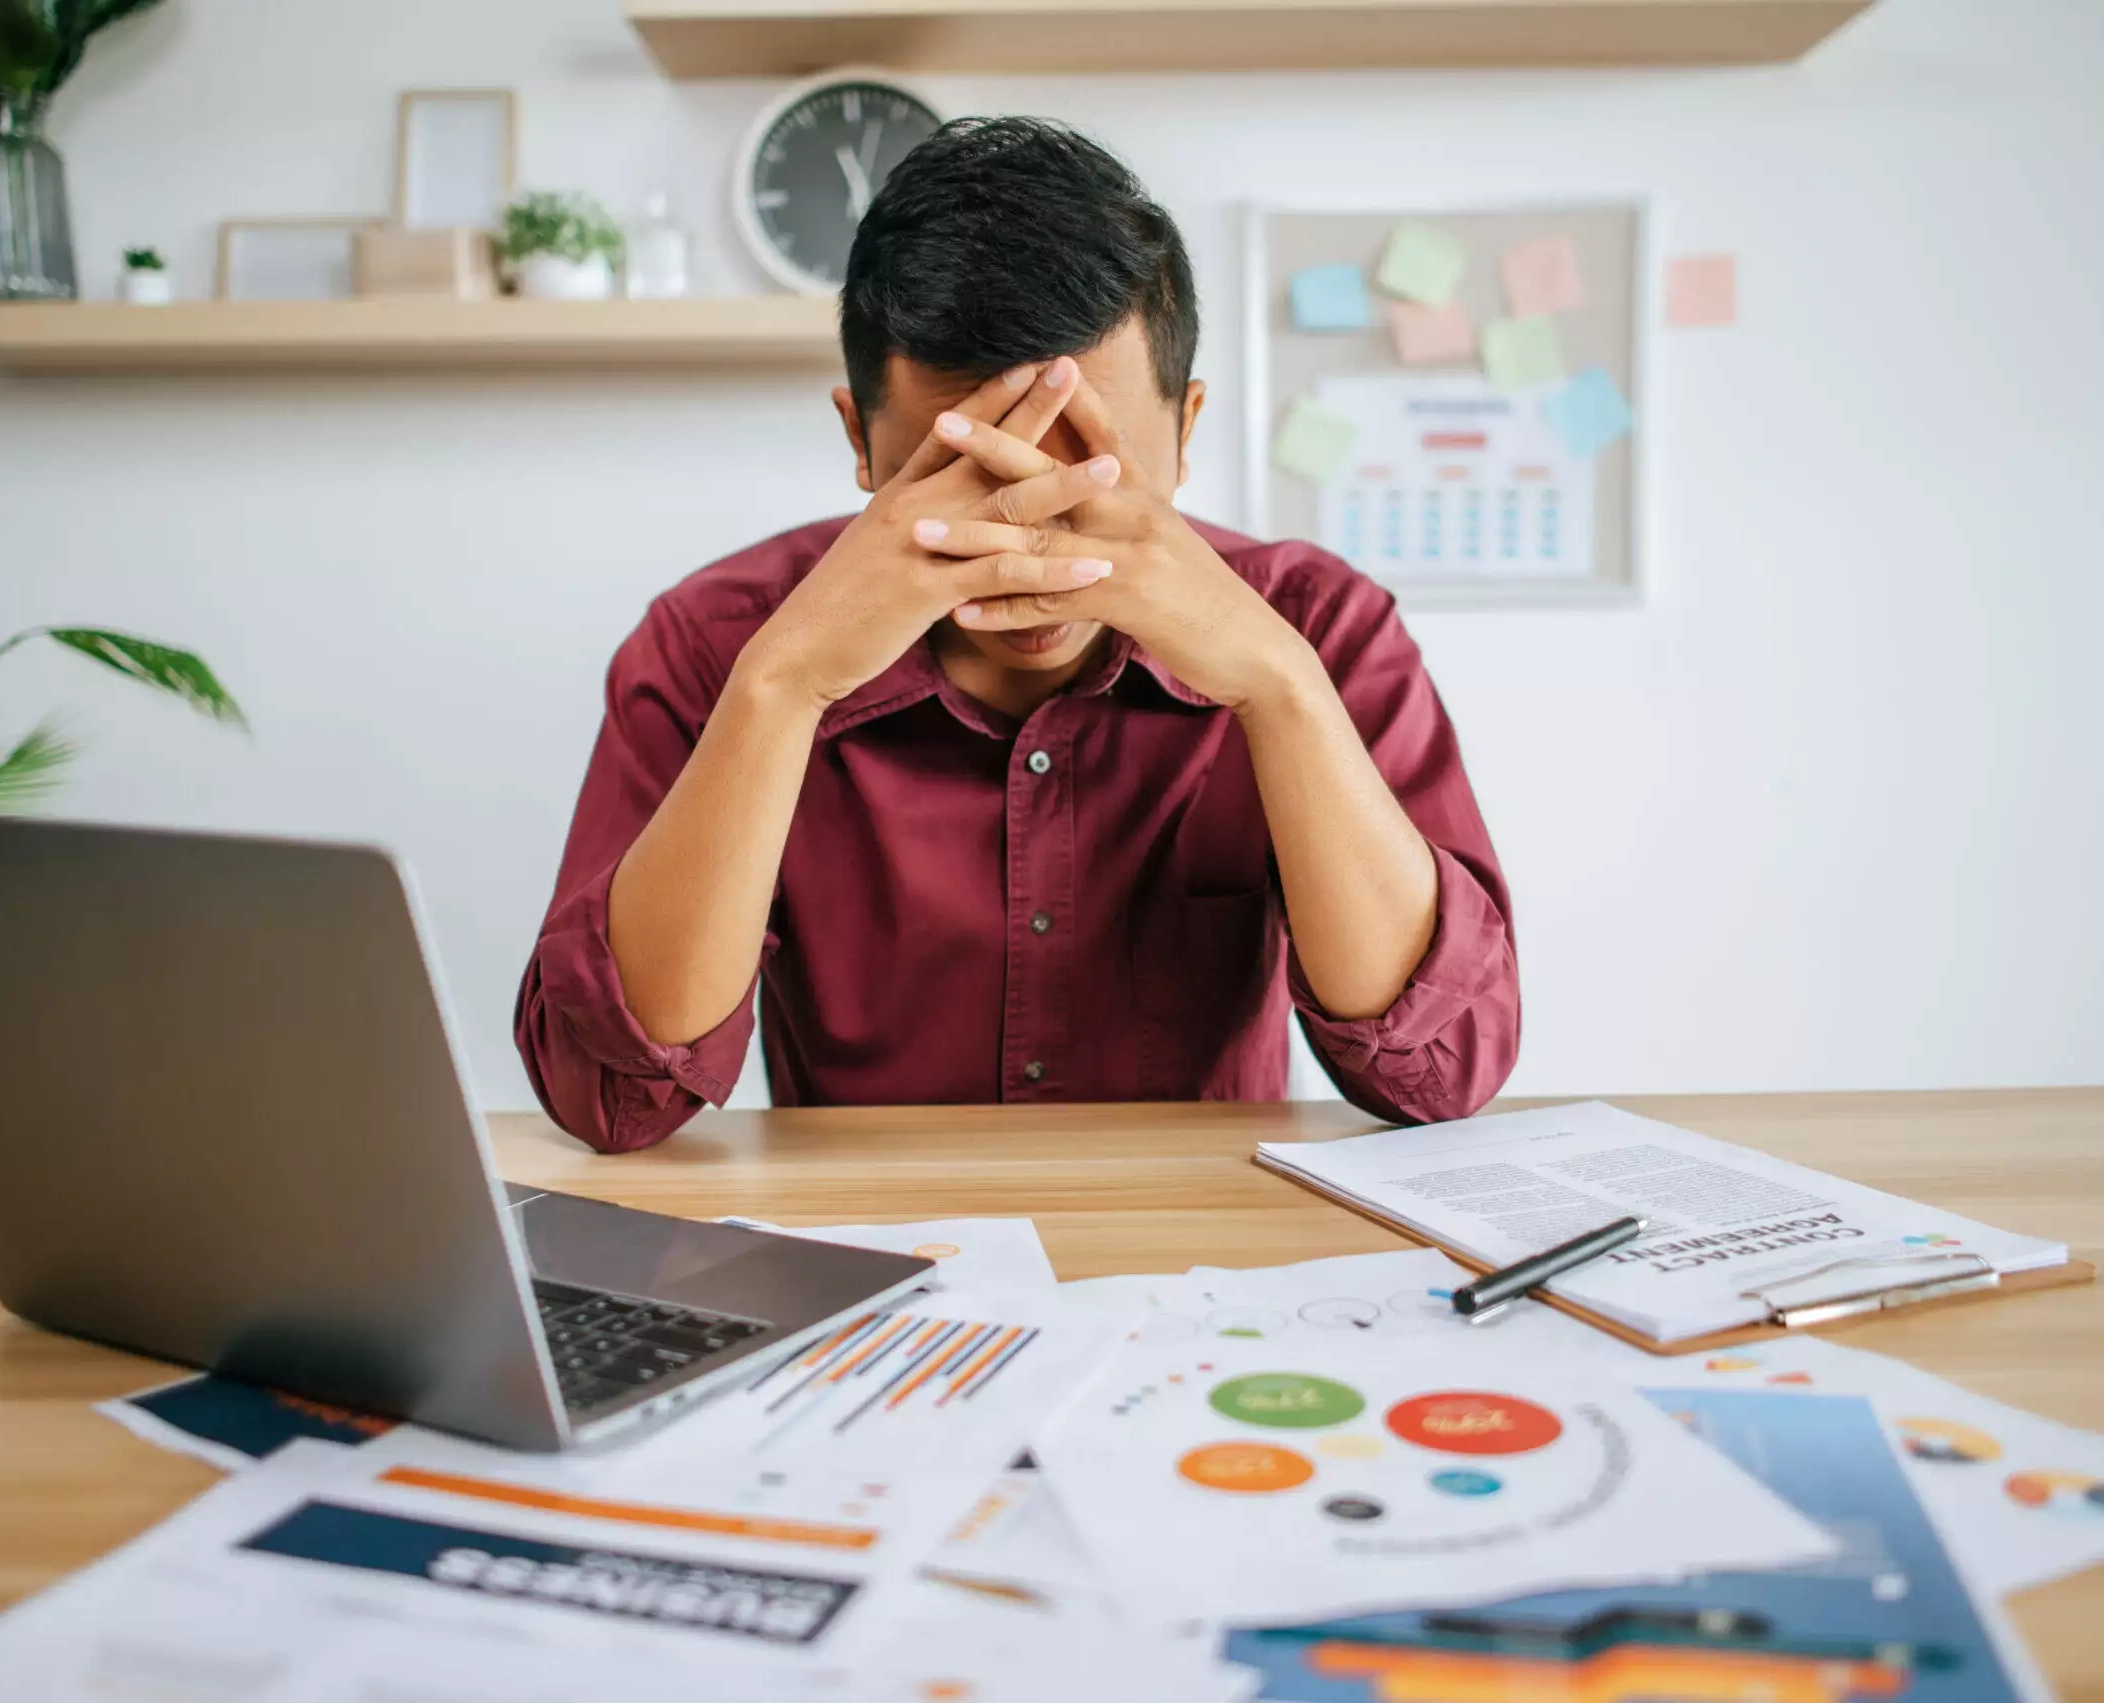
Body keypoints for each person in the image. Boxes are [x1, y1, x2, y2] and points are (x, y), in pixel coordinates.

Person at [518, 117, 1518, 1154]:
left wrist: (1278, 688)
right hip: (868, 1256)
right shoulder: (713, 646)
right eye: (966, 481)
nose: (1028, 551)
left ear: (1184, 432)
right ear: (861, 442)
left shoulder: (1317, 628)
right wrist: (781, 688)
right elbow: (612, 1096)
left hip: (1200, 1264)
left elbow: (1442, 1070)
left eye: (1093, 472)